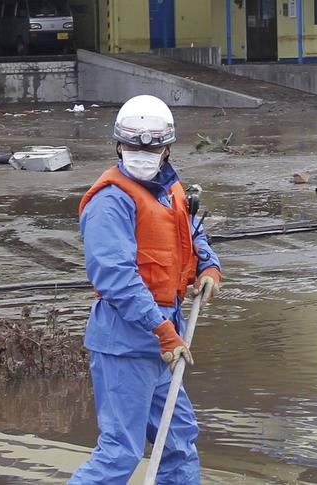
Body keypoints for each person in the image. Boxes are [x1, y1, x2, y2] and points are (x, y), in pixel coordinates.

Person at [70, 95, 221, 484]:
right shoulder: (110, 201)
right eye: (133, 145)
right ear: (119, 145)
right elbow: (116, 277)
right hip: (126, 340)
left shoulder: (170, 189)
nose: (142, 153)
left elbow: (189, 233)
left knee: (178, 442)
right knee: (121, 451)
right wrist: (162, 331)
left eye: (150, 146)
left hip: (164, 337)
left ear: (166, 148)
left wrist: (208, 266)